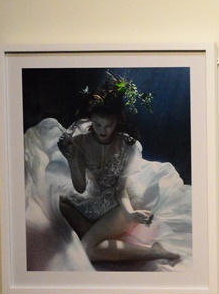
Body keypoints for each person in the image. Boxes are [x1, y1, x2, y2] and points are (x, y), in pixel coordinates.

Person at [56, 73, 180, 264]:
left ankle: (156, 252)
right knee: (57, 202)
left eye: (109, 125)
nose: (103, 131)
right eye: (97, 124)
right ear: (91, 119)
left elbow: (121, 189)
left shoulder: (127, 145)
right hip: (94, 198)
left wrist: (130, 214)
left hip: (121, 201)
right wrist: (71, 157)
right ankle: (98, 232)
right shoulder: (80, 141)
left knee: (87, 249)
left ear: (117, 121)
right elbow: (80, 187)